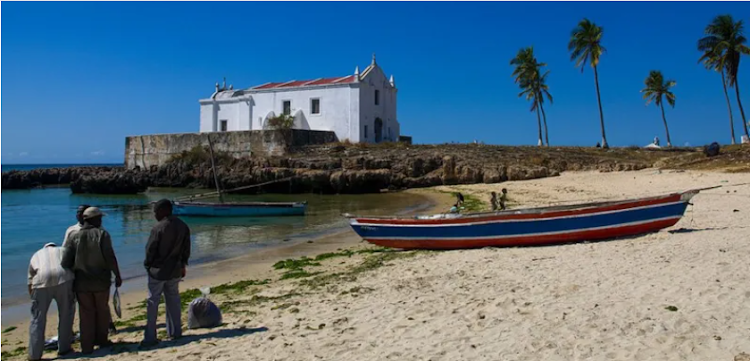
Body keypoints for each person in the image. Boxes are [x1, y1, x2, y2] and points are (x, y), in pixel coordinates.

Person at [61, 207, 122, 354]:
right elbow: (110, 257)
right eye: (99, 218)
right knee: (102, 311)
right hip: (101, 281)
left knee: (86, 313)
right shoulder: (102, 234)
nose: (101, 220)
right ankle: (102, 340)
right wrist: (117, 275)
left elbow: (65, 262)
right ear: (93, 219)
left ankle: (86, 346)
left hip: (81, 283)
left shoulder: (73, 236)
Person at [141, 199, 191, 347]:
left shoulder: (158, 228)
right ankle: (175, 332)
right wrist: (183, 265)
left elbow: (150, 250)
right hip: (175, 269)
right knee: (173, 301)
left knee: (153, 302)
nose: (154, 214)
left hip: (158, 271)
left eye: (156, 211)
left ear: (163, 210)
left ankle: (150, 336)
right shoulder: (183, 226)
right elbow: (186, 249)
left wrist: (148, 266)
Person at [27, 243, 76, 360]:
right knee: (66, 315)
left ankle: (34, 354)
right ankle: (64, 348)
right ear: (54, 247)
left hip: (41, 281)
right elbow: (73, 267)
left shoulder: (36, 255)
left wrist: (34, 299)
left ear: (45, 248)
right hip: (64, 278)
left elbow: (30, 281)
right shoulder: (62, 250)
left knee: (37, 320)